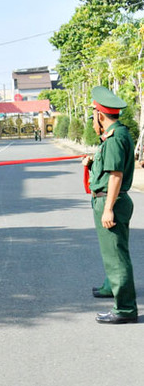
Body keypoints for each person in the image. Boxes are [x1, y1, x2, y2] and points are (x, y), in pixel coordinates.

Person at [82, 86, 137, 324]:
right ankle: (110, 286)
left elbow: (115, 175)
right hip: (110, 199)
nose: (93, 119)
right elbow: (111, 165)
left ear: (100, 116)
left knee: (116, 256)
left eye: (94, 114)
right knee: (112, 252)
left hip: (111, 200)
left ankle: (124, 309)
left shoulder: (114, 139)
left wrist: (108, 208)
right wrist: (93, 160)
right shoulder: (118, 135)